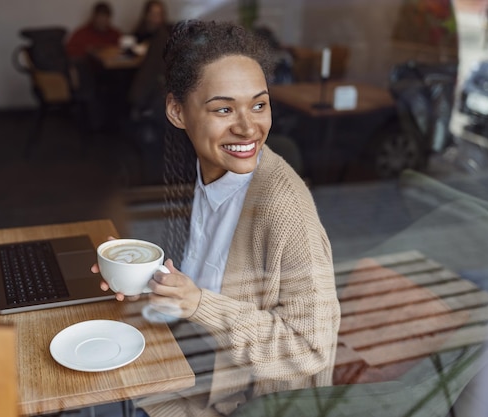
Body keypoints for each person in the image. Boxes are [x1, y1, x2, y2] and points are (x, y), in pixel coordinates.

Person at [92, 20, 340, 416]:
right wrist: (143, 279)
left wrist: (197, 304)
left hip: (246, 405)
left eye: (259, 105)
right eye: (224, 108)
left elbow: (308, 351)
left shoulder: (284, 208)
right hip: (195, 369)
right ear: (177, 111)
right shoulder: (206, 174)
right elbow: (202, 282)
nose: (247, 127)